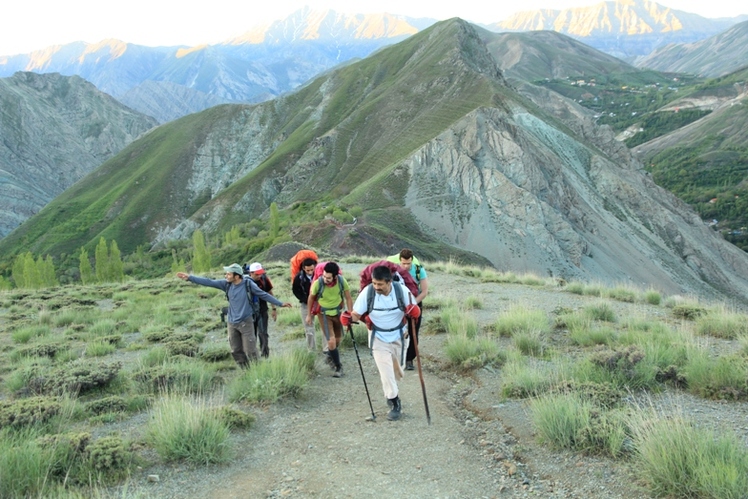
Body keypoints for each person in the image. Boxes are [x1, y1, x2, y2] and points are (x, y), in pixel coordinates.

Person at [177, 263, 292, 368]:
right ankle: (246, 370)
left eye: (229, 274)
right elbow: (209, 282)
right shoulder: (226, 284)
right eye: (226, 273)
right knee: (236, 350)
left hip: (246, 322)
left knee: (251, 350)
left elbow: (263, 294)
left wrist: (279, 303)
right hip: (232, 323)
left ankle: (257, 370)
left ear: (237, 276)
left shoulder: (248, 285)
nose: (226, 276)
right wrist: (189, 278)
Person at [345, 265, 419, 421]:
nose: (376, 287)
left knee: (398, 371)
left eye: (380, 284)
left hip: (399, 335)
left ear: (389, 281)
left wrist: (415, 312)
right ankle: (394, 401)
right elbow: (357, 314)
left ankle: (392, 388)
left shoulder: (401, 291)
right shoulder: (368, 292)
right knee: (386, 372)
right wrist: (348, 319)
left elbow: (414, 309)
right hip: (378, 337)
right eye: (374, 283)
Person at [306, 261, 353, 378]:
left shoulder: (342, 281)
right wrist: (308, 315)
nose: (326, 279)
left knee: (337, 340)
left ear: (335, 276)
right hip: (324, 314)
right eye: (324, 276)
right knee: (331, 341)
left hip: (337, 313)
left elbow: (348, 297)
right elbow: (311, 298)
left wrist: (350, 313)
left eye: (328, 278)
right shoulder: (318, 283)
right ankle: (338, 367)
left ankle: (330, 356)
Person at [388, 248, 429, 370]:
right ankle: (394, 356)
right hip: (398, 305)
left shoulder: (418, 270)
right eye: (403, 263)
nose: (406, 266)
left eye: (408, 263)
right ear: (400, 261)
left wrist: (413, 304)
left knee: (413, 331)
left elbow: (425, 291)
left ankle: (409, 359)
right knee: (395, 330)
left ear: (412, 261)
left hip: (415, 304)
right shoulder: (394, 271)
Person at [247, 262, 275, 358]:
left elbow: (269, 293)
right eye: (257, 274)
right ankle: (253, 356)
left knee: (263, 333)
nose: (260, 275)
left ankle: (265, 355)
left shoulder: (264, 279)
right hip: (249, 313)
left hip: (262, 310)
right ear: (251, 273)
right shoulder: (244, 282)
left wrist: (274, 308)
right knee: (251, 335)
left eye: (261, 273)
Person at [292, 257, 318, 351]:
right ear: (303, 268)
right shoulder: (298, 278)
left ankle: (328, 349)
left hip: (320, 303)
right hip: (305, 304)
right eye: (308, 270)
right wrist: (305, 299)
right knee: (309, 327)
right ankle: (312, 350)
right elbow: (295, 291)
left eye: (312, 269)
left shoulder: (319, 275)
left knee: (326, 325)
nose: (310, 272)